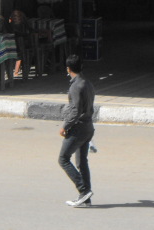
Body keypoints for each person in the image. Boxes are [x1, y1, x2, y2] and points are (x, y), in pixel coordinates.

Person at [59, 54, 95, 208]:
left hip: (78, 128)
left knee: (63, 159)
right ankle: (86, 198)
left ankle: (83, 190)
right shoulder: (88, 83)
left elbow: (75, 111)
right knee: (82, 162)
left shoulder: (75, 86)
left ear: (68, 69)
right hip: (88, 127)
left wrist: (65, 126)